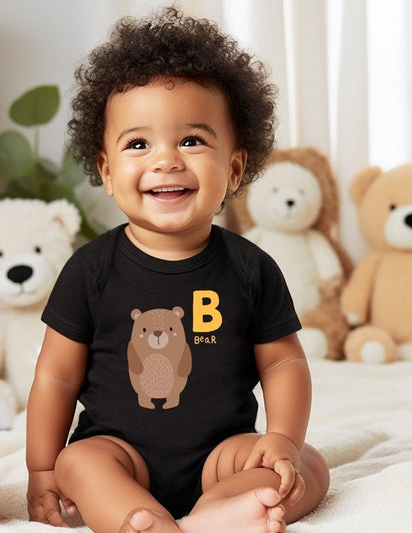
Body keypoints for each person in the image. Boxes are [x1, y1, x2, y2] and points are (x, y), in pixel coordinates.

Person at [26, 7, 330, 533]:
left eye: (191, 140)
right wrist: (41, 467)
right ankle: (137, 517)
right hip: (122, 455)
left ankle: (214, 515)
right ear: (106, 171)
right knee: (78, 464)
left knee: (309, 467)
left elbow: (283, 365)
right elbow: (55, 375)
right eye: (138, 144)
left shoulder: (251, 267)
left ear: (234, 168)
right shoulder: (90, 269)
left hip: (221, 457)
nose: (166, 160)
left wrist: (280, 440)